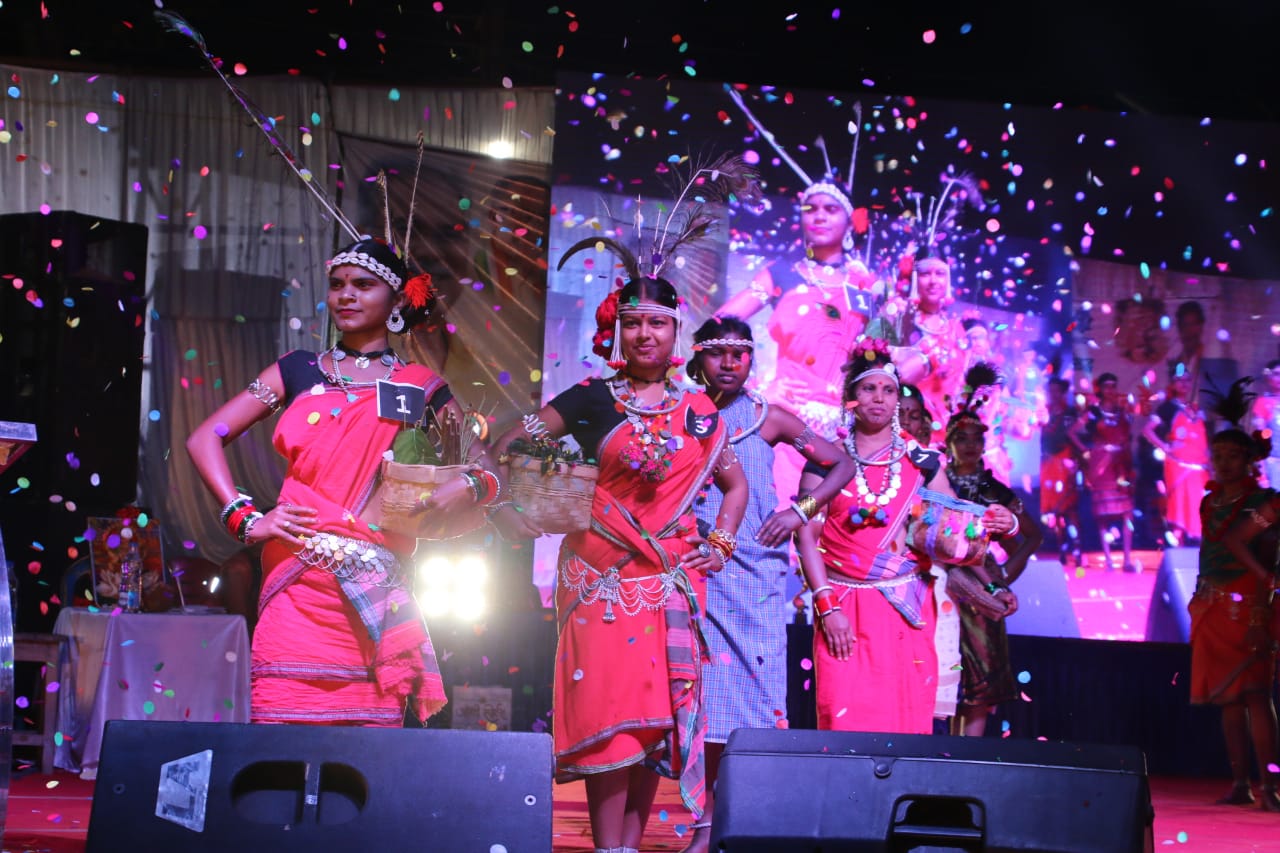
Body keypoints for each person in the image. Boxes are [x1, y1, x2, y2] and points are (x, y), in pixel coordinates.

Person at [186, 236, 501, 727]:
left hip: (375, 584)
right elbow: (205, 437)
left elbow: (487, 469)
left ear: (397, 300)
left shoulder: (419, 385)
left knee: (366, 754)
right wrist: (244, 519)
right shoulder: (298, 370)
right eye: (337, 285)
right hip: (295, 577)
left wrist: (470, 485)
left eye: (363, 285)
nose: (346, 296)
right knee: (281, 734)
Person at [492, 276, 748, 853]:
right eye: (632, 322)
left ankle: (627, 849)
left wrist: (723, 542)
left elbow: (736, 486)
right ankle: (610, 849)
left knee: (652, 721)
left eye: (657, 323)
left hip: (668, 583)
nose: (644, 334)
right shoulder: (587, 398)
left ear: (675, 331)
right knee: (613, 715)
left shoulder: (700, 412)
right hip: (599, 579)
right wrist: (534, 499)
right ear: (616, 330)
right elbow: (511, 445)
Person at [682, 315, 855, 852]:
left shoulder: (769, 418)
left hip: (755, 575)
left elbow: (841, 464)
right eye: (718, 353)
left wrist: (799, 510)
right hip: (696, 568)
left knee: (753, 701)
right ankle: (708, 820)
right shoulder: (680, 413)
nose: (730, 363)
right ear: (698, 359)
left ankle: (733, 820)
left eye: (741, 353)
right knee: (703, 699)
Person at [793, 339, 1016, 735]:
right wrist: (827, 607)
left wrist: (998, 542)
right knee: (843, 723)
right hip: (842, 611)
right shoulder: (824, 460)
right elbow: (805, 533)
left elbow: (954, 533)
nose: (879, 398)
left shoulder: (923, 462)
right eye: (868, 388)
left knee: (903, 728)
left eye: (888, 390)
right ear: (850, 398)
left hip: (905, 612)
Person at [717, 181, 888, 509]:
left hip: (843, 426)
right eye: (812, 209)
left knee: (827, 525)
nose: (819, 216)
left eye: (831, 209)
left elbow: (881, 356)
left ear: (850, 221)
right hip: (785, 421)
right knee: (776, 515)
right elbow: (720, 325)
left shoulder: (864, 286)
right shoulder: (782, 274)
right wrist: (753, 389)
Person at [943, 394, 1043, 736]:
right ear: (948, 442)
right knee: (942, 673)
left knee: (980, 679)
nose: (970, 445)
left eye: (977, 438)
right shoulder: (936, 483)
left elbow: (1031, 537)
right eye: (962, 437)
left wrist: (1001, 578)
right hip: (941, 584)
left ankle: (969, 760)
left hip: (980, 591)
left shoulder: (994, 491)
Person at [1194, 422, 1279, 811]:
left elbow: (1250, 545)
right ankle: (1240, 783)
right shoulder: (1209, 502)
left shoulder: (1266, 503)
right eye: (1218, 455)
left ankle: (1270, 788)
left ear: (1249, 460)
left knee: (1256, 694)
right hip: (1211, 604)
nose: (1223, 463)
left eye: (1232, 456)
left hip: (1251, 605)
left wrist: (1265, 582)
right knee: (1228, 698)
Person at [1069, 373, 1138, 572]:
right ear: (1100, 389)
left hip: (1121, 465)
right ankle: (1108, 559)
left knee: (1127, 512)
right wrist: (1087, 450)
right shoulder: (1093, 412)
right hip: (1101, 466)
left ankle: (1126, 559)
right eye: (1107, 386)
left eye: (1113, 386)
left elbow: (1127, 436)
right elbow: (1072, 432)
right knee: (1104, 515)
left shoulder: (1122, 412)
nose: (1111, 390)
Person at [1141, 367, 1209, 545]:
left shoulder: (1196, 409)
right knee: (1179, 508)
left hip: (1200, 467)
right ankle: (1177, 551)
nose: (1184, 384)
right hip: (1179, 466)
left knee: (1199, 507)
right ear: (1172, 383)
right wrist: (1165, 447)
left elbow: (1203, 438)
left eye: (1187, 380)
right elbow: (1147, 430)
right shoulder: (1167, 408)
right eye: (1179, 380)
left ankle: (1197, 555)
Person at [1039, 377, 1082, 564]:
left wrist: (1077, 461)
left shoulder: (1070, 413)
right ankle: (1062, 549)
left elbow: (1077, 437)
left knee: (1069, 508)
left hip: (1065, 462)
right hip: (1048, 464)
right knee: (1053, 512)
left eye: (1057, 390)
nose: (1053, 394)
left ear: (1063, 392)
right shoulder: (1044, 412)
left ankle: (1078, 548)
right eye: (1051, 391)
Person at [1248, 359, 1280, 488]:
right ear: (1268, 377)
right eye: (1277, 374)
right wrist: (1262, 473)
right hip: (1273, 464)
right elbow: (1261, 438)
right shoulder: (1263, 403)